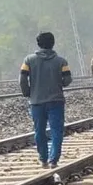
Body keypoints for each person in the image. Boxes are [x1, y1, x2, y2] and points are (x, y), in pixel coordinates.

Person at [20, 31, 72, 169]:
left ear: (38, 44)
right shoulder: (61, 61)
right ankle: (53, 160)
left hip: (36, 102)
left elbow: (22, 78)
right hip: (56, 101)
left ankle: (43, 158)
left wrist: (27, 92)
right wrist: (58, 84)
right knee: (56, 131)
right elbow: (67, 79)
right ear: (53, 44)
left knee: (39, 131)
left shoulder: (28, 60)